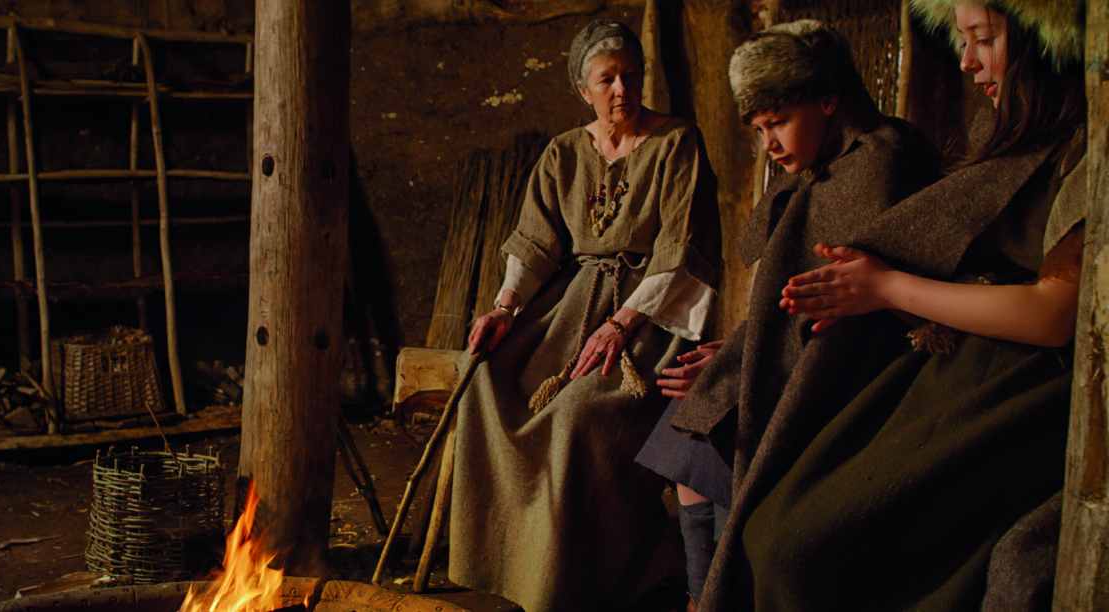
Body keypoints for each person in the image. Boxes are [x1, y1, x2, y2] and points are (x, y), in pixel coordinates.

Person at [684, 1, 1087, 610]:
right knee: (732, 485)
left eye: (983, 37)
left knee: (796, 546)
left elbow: (1056, 312)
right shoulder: (1007, 134)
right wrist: (744, 351)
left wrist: (886, 287)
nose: (966, 60)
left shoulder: (886, 160)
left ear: (1041, 42)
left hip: (1018, 389)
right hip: (954, 364)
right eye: (963, 39)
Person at [634, 20, 943, 610]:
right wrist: (735, 354)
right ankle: (707, 595)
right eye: (758, 129)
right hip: (796, 354)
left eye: (777, 122)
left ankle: (727, 592)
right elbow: (786, 303)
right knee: (691, 432)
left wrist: (747, 367)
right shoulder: (818, 170)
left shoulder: (880, 161)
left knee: (728, 434)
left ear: (829, 97)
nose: (769, 145)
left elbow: (849, 319)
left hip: (861, 373)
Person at [448, 20, 721, 612]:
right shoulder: (564, 152)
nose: (622, 88)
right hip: (569, 307)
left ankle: (587, 578)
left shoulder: (677, 143)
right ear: (583, 89)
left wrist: (622, 324)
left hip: (647, 317)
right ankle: (514, 565)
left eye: (631, 75)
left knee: (576, 419)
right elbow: (535, 243)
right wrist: (503, 307)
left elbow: (680, 251)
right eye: (608, 79)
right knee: (482, 381)